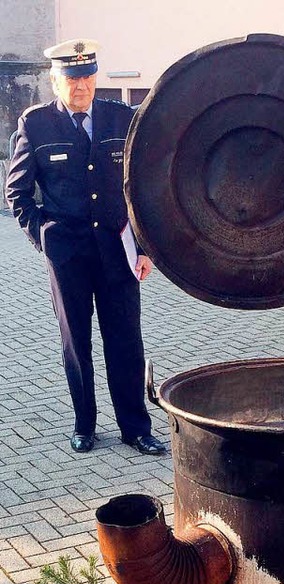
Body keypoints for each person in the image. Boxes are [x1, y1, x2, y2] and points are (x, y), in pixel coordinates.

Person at [5, 39, 166, 456]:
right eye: (72, 79)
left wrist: (145, 248)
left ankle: (136, 428)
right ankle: (84, 425)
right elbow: (17, 193)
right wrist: (45, 236)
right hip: (68, 255)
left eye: (88, 77)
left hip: (118, 252)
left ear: (96, 77)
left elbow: (140, 190)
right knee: (76, 344)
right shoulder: (36, 125)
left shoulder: (120, 119)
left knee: (126, 340)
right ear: (55, 81)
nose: (82, 87)